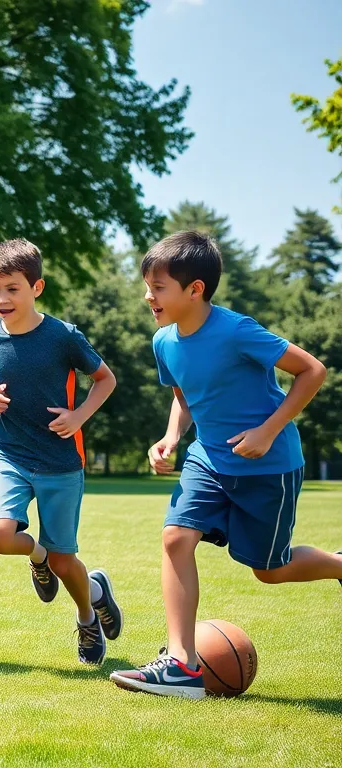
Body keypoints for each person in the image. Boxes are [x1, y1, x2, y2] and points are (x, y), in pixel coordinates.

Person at [112, 231, 339, 699]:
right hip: (208, 458)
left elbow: (311, 371)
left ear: (195, 289)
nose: (147, 296)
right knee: (175, 537)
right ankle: (181, 664)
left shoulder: (237, 330)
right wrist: (171, 437)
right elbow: (184, 397)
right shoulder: (163, 342)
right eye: (147, 285)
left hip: (269, 466)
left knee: (269, 570)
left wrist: (268, 430)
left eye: (158, 287)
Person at [0, 239, 123, 665]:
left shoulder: (63, 336)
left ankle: (87, 612)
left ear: (36, 288)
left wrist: (79, 417)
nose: (1, 298)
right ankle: (37, 557)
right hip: (10, 455)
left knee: (64, 558)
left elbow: (106, 380)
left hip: (60, 461)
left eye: (12, 289)